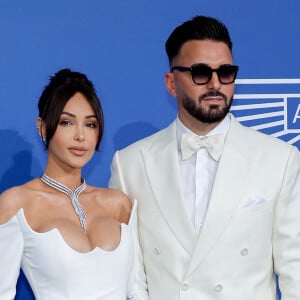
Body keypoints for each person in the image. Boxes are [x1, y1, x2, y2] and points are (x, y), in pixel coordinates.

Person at [109, 15, 300, 299]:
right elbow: (130, 275)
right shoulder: (130, 164)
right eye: (201, 72)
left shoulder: (279, 159)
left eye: (226, 72)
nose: (215, 84)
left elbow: (295, 267)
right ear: (171, 83)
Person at [0, 68, 148, 300]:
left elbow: (137, 291)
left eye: (90, 125)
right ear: (43, 127)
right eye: (67, 122)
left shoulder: (118, 203)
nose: (80, 136)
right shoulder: (17, 203)